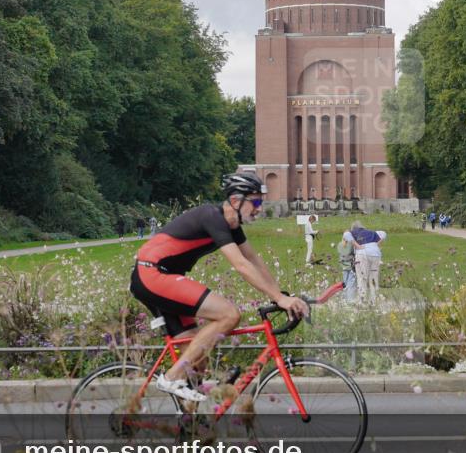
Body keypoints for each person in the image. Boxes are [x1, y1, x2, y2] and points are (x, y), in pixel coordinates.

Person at [130, 171, 308, 402]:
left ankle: (192, 428)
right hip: (152, 273)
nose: (259, 208)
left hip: (161, 278)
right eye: (255, 202)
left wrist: (279, 295)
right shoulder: (211, 217)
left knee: (197, 362)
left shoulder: (232, 226)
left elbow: (254, 260)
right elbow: (241, 265)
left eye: (260, 203)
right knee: (229, 314)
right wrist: (279, 298)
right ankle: (171, 377)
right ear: (235, 201)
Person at [345, 220, 386, 304]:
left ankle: (361, 301)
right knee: (373, 277)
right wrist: (376, 245)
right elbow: (384, 234)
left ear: (353, 227)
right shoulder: (371, 232)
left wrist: (357, 245)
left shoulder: (353, 232)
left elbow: (346, 234)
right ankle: (373, 301)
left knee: (362, 278)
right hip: (376, 254)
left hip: (362, 254)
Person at [337, 230, 357, 301]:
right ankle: (350, 298)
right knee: (350, 283)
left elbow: (341, 255)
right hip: (351, 266)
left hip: (344, 266)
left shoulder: (340, 244)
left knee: (345, 282)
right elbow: (354, 254)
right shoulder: (351, 244)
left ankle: (344, 298)